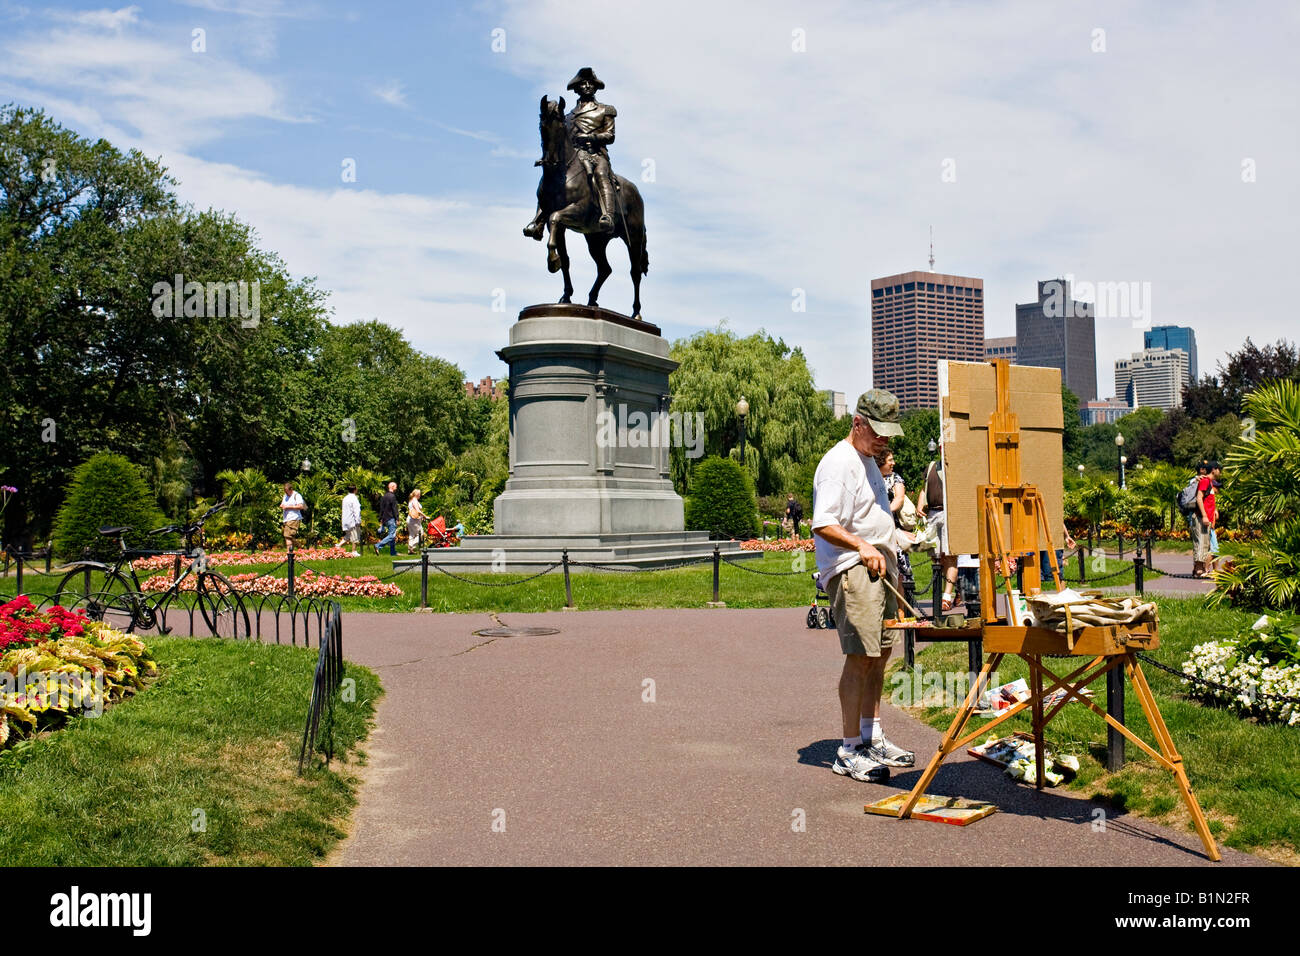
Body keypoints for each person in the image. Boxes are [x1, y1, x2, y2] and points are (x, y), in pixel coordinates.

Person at [813, 389, 915, 784]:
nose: (884, 441)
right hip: (854, 568)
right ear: (858, 423)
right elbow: (823, 522)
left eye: (889, 435)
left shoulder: (867, 458)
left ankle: (872, 736)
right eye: (878, 433)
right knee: (860, 656)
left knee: (880, 654)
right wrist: (863, 546)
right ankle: (849, 748)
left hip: (879, 567)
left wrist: (895, 545)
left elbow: (872, 514)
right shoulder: (838, 463)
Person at [916, 446, 960, 613]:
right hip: (933, 514)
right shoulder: (932, 466)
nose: (943, 449)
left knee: (950, 555)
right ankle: (943, 592)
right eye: (941, 447)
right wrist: (920, 504)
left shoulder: (956, 466)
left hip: (949, 514)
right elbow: (923, 488)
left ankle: (946, 597)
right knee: (936, 558)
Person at [877, 450, 914, 593]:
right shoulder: (869, 476)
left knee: (899, 569)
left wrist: (884, 512)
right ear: (881, 461)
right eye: (890, 460)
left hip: (892, 527)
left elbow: (899, 498)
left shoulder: (895, 478)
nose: (893, 463)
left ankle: (902, 609)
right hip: (874, 530)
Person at [1194, 460, 1222, 577]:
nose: (1220, 472)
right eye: (1219, 470)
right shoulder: (1205, 481)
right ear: (1214, 469)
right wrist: (1205, 515)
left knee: (1205, 544)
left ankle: (1201, 570)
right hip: (1202, 518)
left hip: (1208, 519)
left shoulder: (1209, 482)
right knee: (1200, 543)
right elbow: (1199, 498)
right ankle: (1199, 570)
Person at [374, 481, 399, 556]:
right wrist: (397, 518)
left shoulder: (384, 496)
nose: (396, 488)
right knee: (392, 535)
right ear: (392, 487)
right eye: (395, 486)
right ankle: (378, 545)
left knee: (392, 536)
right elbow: (394, 508)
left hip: (385, 518)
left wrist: (380, 518)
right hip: (391, 518)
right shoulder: (392, 496)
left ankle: (393, 552)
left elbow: (381, 508)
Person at [279, 481, 304, 551]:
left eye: (287, 491)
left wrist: (288, 507)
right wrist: (282, 506)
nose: (286, 493)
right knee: (290, 537)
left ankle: (289, 554)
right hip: (286, 519)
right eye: (285, 491)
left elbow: (301, 506)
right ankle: (300, 547)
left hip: (294, 518)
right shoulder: (285, 496)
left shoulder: (297, 495)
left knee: (287, 536)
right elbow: (282, 504)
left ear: (291, 489)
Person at [340, 484, 362, 557]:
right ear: (355, 490)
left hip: (345, 519)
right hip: (352, 520)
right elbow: (356, 511)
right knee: (355, 536)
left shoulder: (345, 498)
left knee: (347, 536)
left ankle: (338, 546)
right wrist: (358, 521)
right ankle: (354, 551)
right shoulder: (354, 499)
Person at [406, 489, 426, 554]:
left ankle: (410, 550)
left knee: (412, 535)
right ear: (417, 494)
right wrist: (425, 516)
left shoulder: (411, 500)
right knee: (421, 534)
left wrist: (422, 517)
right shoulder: (414, 500)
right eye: (419, 494)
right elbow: (418, 510)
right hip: (414, 520)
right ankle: (411, 546)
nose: (420, 495)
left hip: (409, 519)